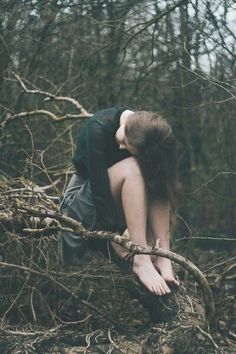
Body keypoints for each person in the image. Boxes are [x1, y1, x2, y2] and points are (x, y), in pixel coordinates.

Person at [59, 106, 182, 296]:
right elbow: (100, 192)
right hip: (78, 209)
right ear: (127, 126)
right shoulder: (98, 128)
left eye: (126, 146)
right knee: (133, 167)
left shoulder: (147, 131)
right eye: (125, 140)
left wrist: (157, 249)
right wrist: (114, 237)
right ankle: (141, 260)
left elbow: (161, 186)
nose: (120, 147)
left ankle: (164, 257)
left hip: (110, 204)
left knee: (157, 175)